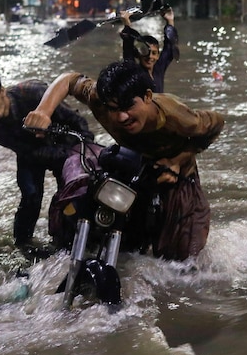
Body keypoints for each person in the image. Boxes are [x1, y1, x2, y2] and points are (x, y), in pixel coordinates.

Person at [23, 60, 225, 261]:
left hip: (175, 176)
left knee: (181, 260)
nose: (121, 117)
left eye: (128, 106)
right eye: (112, 108)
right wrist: (43, 111)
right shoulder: (100, 97)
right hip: (135, 165)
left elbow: (215, 124)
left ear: (147, 96)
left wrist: (176, 161)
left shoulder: (176, 115)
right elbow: (69, 80)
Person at [0, 68, 94, 251]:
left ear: (2, 91)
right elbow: (28, 152)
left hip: (67, 145)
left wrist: (82, 158)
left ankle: (72, 245)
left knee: (71, 198)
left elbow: (80, 124)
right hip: (31, 153)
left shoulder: (34, 93)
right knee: (30, 196)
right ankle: (22, 247)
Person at [120, 6, 179, 93]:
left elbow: (169, 47)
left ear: (158, 56)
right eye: (145, 52)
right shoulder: (135, 72)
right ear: (138, 54)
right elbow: (128, 52)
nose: (150, 56)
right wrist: (127, 24)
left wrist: (170, 20)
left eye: (154, 53)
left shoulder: (158, 69)